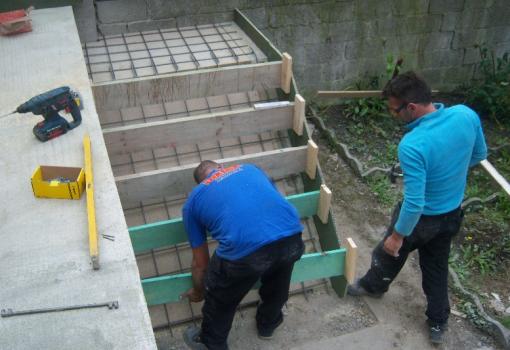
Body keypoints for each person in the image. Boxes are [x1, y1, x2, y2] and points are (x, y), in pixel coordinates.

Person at [347, 71, 487, 344]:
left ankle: (373, 286)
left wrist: (398, 235)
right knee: (436, 267)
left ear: (411, 107)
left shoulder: (412, 144)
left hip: (421, 219)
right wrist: (451, 169)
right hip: (451, 216)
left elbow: (414, 202)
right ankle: (438, 322)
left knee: (389, 251)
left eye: (394, 110)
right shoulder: (465, 115)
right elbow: (479, 155)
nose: (394, 116)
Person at [181, 160, 304, 350]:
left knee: (220, 299)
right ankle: (268, 325)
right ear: (221, 167)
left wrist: (199, 291)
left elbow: (201, 264)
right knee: (278, 279)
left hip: (246, 255)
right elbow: (272, 199)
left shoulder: (194, 200)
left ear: (200, 182)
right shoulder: (250, 169)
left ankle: (211, 344)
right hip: (292, 235)